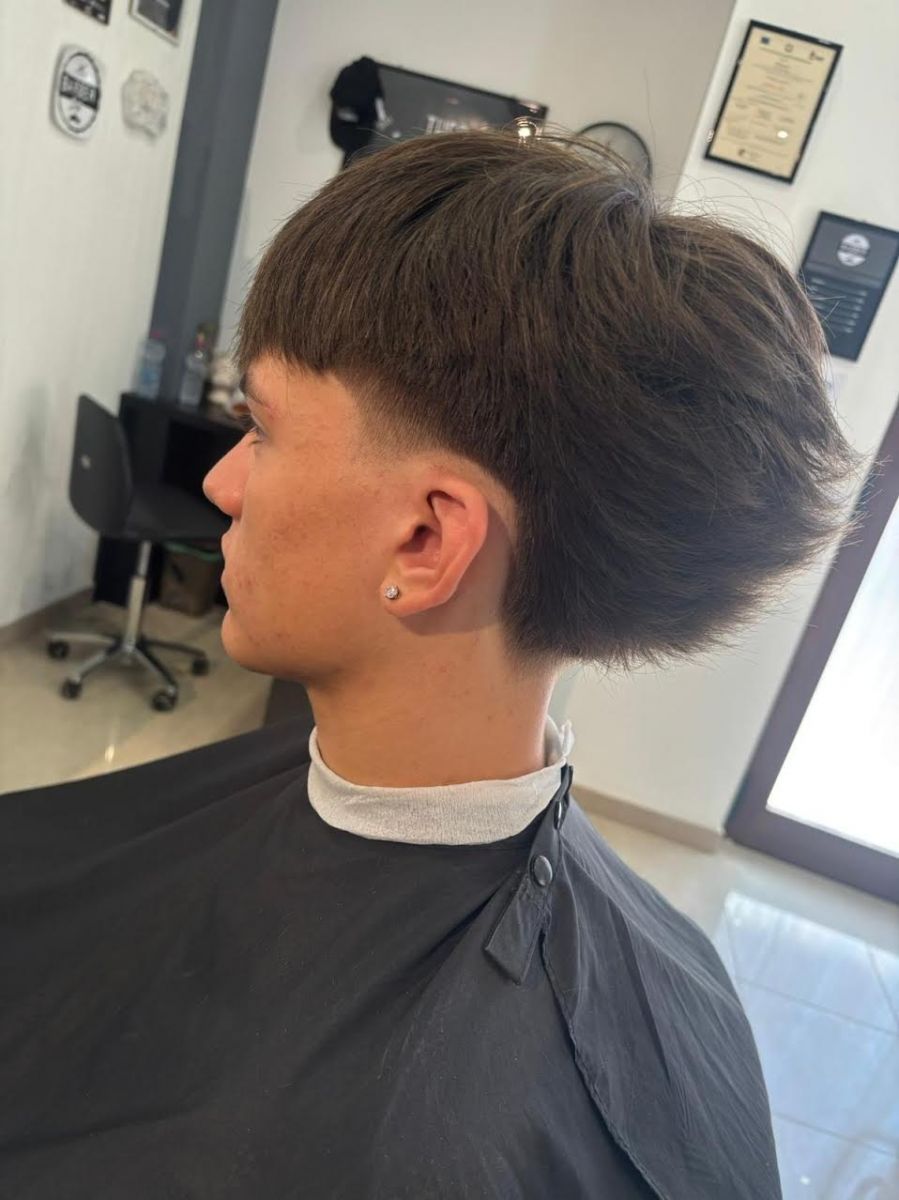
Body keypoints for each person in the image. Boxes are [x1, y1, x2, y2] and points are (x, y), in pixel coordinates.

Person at [1, 129, 861, 1198]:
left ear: (424, 541)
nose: (222, 482)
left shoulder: (409, 1155)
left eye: (262, 429)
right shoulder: (689, 973)